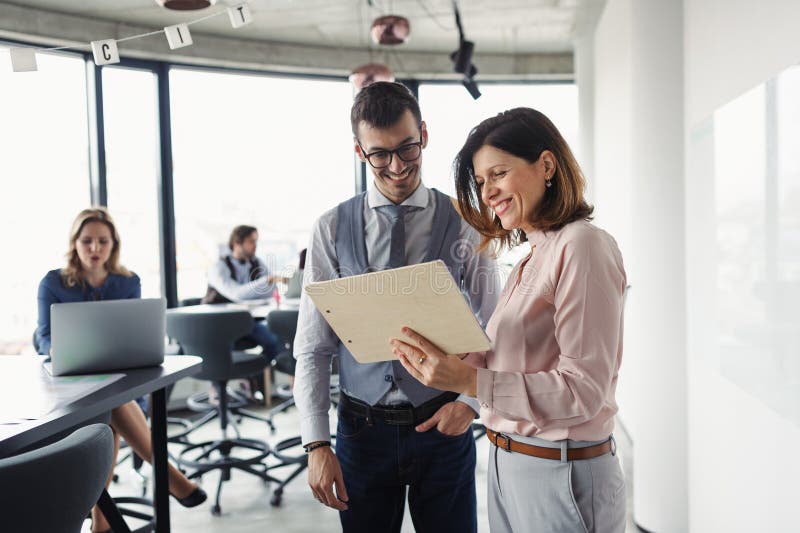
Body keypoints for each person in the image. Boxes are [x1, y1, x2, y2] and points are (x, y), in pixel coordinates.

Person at [390, 108, 627, 532]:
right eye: (481, 182)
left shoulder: (583, 246)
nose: (488, 192)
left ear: (546, 165)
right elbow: (516, 359)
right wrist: (455, 360)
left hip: (560, 472)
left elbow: (583, 391)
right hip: (510, 462)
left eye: (498, 174)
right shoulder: (530, 258)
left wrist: (469, 383)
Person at [293, 81, 499, 533]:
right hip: (360, 432)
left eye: (407, 148)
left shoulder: (466, 221)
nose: (397, 166)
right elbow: (313, 345)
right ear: (358, 150)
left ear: (423, 134)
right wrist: (316, 443)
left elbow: (495, 322)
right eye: (379, 155)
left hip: (442, 426)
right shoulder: (330, 228)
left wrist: (469, 403)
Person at [36, 207, 206, 533]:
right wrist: (57, 350)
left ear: (114, 243)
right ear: (75, 243)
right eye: (87, 241)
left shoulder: (127, 282)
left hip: (121, 387)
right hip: (70, 388)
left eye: (103, 241)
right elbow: (43, 338)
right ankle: (167, 476)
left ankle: (103, 523)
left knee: (109, 408)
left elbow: (134, 339)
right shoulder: (53, 282)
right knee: (107, 410)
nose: (95, 249)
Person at [202, 225, 285, 360]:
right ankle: (227, 379)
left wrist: (268, 282)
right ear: (237, 243)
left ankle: (256, 375)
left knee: (275, 339)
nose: (255, 246)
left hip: (247, 321)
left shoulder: (257, 263)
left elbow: (271, 290)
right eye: (251, 242)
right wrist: (266, 281)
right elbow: (236, 294)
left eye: (256, 241)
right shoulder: (218, 267)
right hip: (220, 324)